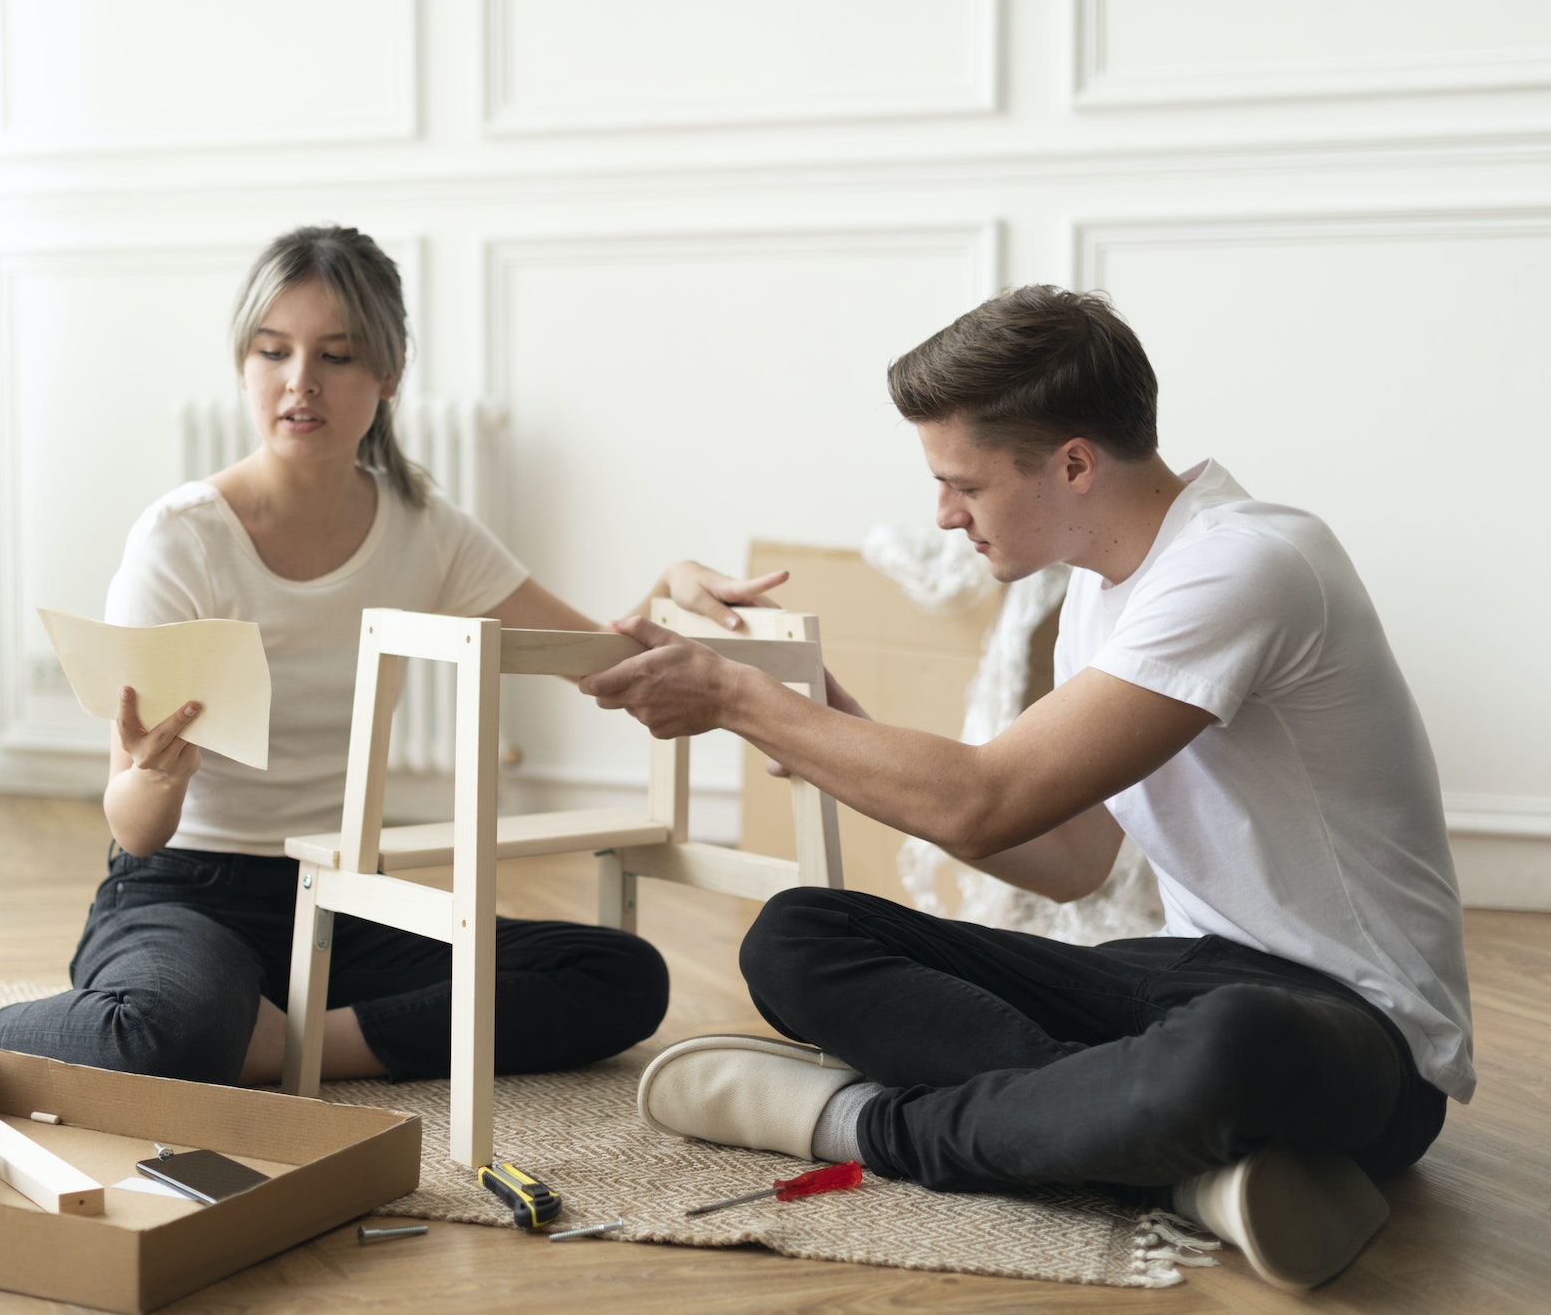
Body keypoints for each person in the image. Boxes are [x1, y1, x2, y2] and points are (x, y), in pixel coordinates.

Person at [579, 286, 1472, 1292]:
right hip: (1176, 980)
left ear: (1073, 463)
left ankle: (869, 1124)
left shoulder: (1244, 563)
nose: (942, 514)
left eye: (961, 483)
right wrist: (828, 725)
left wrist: (740, 704)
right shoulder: (1098, 588)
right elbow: (1065, 860)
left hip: (1356, 1035)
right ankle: (1162, 1154)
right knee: (796, 935)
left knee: (1233, 1043)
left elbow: (985, 800)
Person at [0, 224, 776, 1089]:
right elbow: (133, 831)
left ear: (388, 374)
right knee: (170, 1029)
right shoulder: (182, 539)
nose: (299, 381)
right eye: (273, 351)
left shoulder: (424, 529)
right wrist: (153, 776)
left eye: (336, 355)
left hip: (344, 896)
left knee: (618, 975)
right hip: (185, 891)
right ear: (242, 365)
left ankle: (280, 1049)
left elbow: (592, 658)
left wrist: (667, 593)